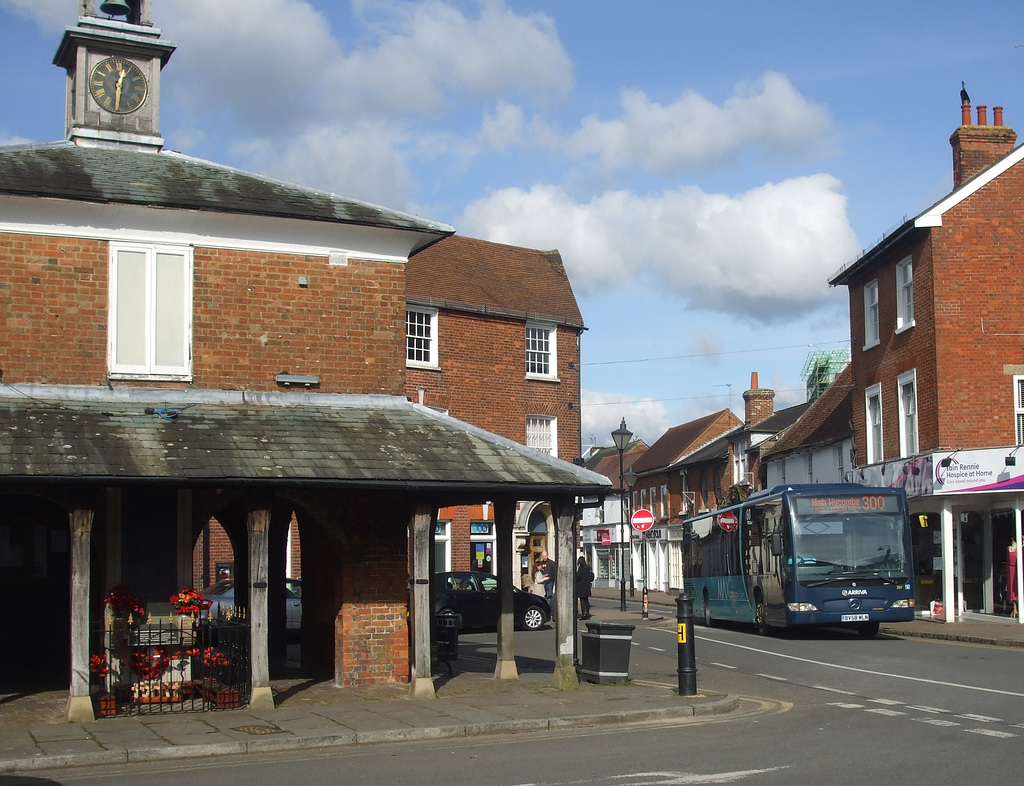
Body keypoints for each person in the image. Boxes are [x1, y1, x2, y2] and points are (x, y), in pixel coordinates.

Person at [538, 551, 556, 620]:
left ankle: (552, 613)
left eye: (545, 556)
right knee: (545, 597)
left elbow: (555, 572)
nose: (544, 558)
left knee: (549, 597)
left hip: (549, 582)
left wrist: (551, 578)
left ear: (547, 556)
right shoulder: (541, 563)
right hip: (543, 583)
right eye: (543, 556)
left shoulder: (551, 563)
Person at [1008, 539, 1018, 617]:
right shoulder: (1009, 548)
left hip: (1018, 570)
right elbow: (1010, 560)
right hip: (1013, 570)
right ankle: (1015, 608)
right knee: (1013, 589)